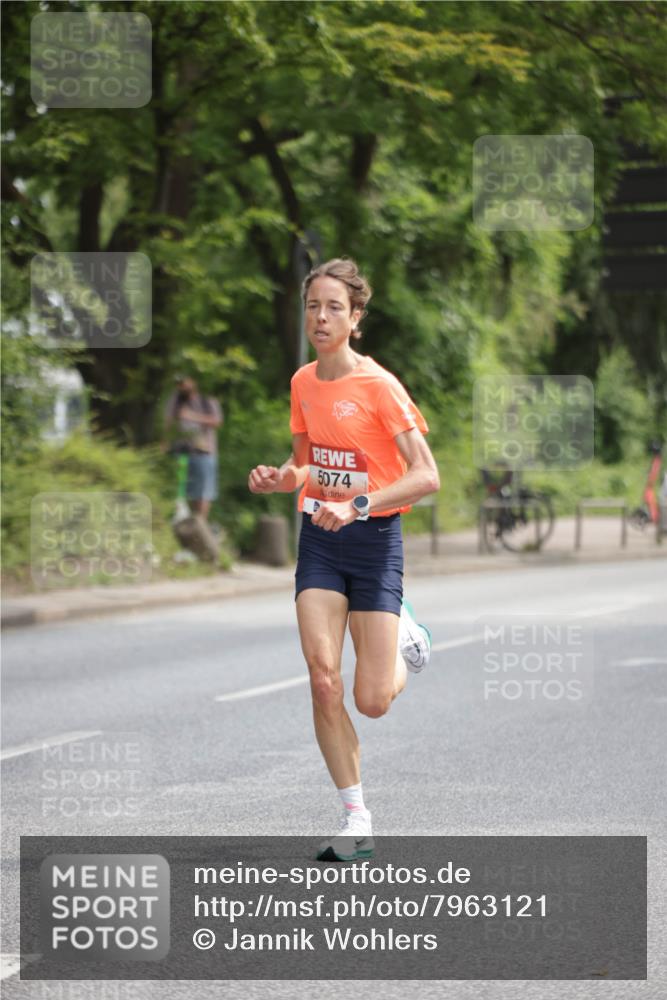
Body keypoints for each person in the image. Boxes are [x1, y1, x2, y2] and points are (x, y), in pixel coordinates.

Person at [248, 257, 440, 862]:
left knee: (372, 700)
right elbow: (307, 463)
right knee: (323, 678)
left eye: (334, 307)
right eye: (312, 306)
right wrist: (283, 479)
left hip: (375, 540)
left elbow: (426, 477)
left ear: (356, 318)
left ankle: (407, 630)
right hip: (320, 543)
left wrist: (359, 504)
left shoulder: (380, 387)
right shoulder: (303, 382)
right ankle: (356, 817)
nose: (321, 317)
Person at [164, 376, 223, 521]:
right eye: (179, 384)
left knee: (203, 493)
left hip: (204, 453)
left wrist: (191, 416)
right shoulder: (175, 402)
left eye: (184, 382)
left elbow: (216, 421)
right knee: (184, 491)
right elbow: (168, 423)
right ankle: (185, 523)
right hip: (182, 453)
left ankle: (200, 525)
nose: (182, 386)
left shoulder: (207, 402)